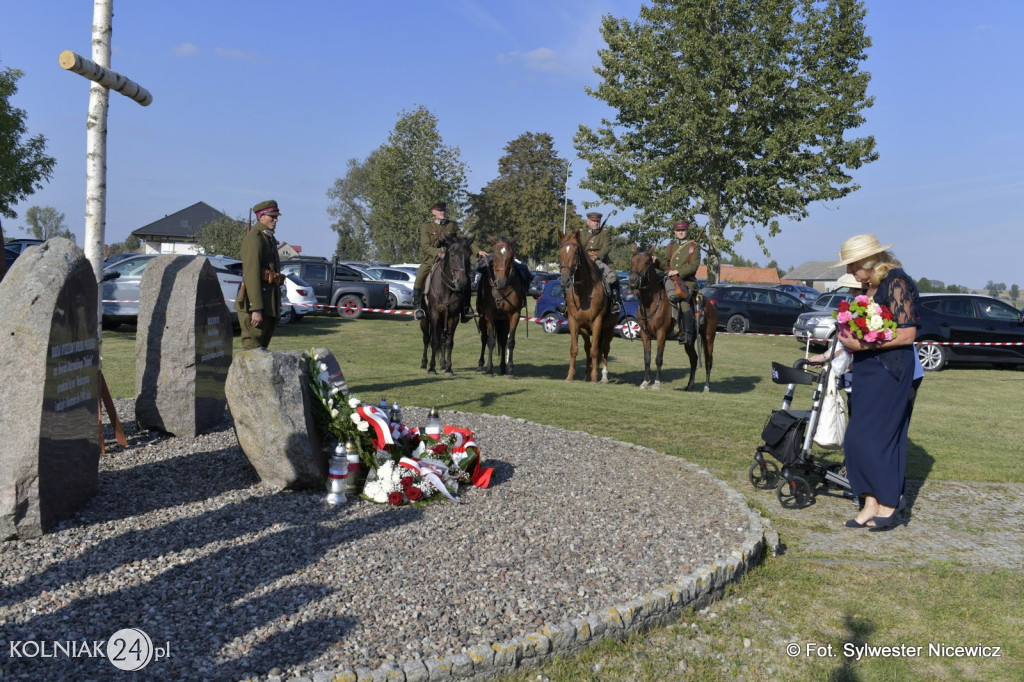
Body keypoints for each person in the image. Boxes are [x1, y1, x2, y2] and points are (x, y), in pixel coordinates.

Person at [833, 234, 920, 531]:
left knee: (878, 438)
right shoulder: (869, 286)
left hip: (891, 370)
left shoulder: (897, 282)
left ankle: (888, 503)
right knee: (857, 438)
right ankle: (869, 501)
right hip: (868, 370)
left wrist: (864, 346)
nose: (848, 271)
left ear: (869, 262)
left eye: (852, 265)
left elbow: (907, 335)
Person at [236, 199, 284, 350]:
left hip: (268, 304)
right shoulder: (254, 239)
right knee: (252, 350)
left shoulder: (268, 239)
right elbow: (251, 275)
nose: (275, 220)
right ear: (261, 216)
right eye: (272, 216)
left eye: (276, 217)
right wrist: (256, 308)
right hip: (256, 306)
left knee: (262, 351)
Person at [414, 202, 472, 322]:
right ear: (433, 212)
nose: (442, 212)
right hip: (432, 259)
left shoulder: (452, 225)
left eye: (444, 210)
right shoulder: (426, 226)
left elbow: (464, 241)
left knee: (466, 278)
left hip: (450, 259)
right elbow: (425, 246)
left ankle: (466, 308)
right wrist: (438, 253)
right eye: (439, 210)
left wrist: (478, 252)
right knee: (420, 277)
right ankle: (419, 308)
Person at [655, 220, 701, 344]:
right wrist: (656, 262)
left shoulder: (694, 246)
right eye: (678, 230)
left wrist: (677, 272)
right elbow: (665, 264)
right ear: (675, 232)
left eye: (683, 230)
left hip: (686, 282)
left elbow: (693, 266)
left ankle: (687, 334)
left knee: (684, 301)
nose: (680, 233)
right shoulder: (671, 246)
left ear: (687, 231)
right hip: (670, 281)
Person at [579, 212, 622, 315]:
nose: (596, 223)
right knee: (569, 276)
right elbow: (578, 246)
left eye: (598, 221)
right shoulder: (582, 233)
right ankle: (565, 303)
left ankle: (615, 302)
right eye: (594, 221)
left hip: (601, 260)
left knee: (613, 278)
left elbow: (606, 248)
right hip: (584, 260)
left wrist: (596, 256)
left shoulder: (605, 232)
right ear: (588, 222)